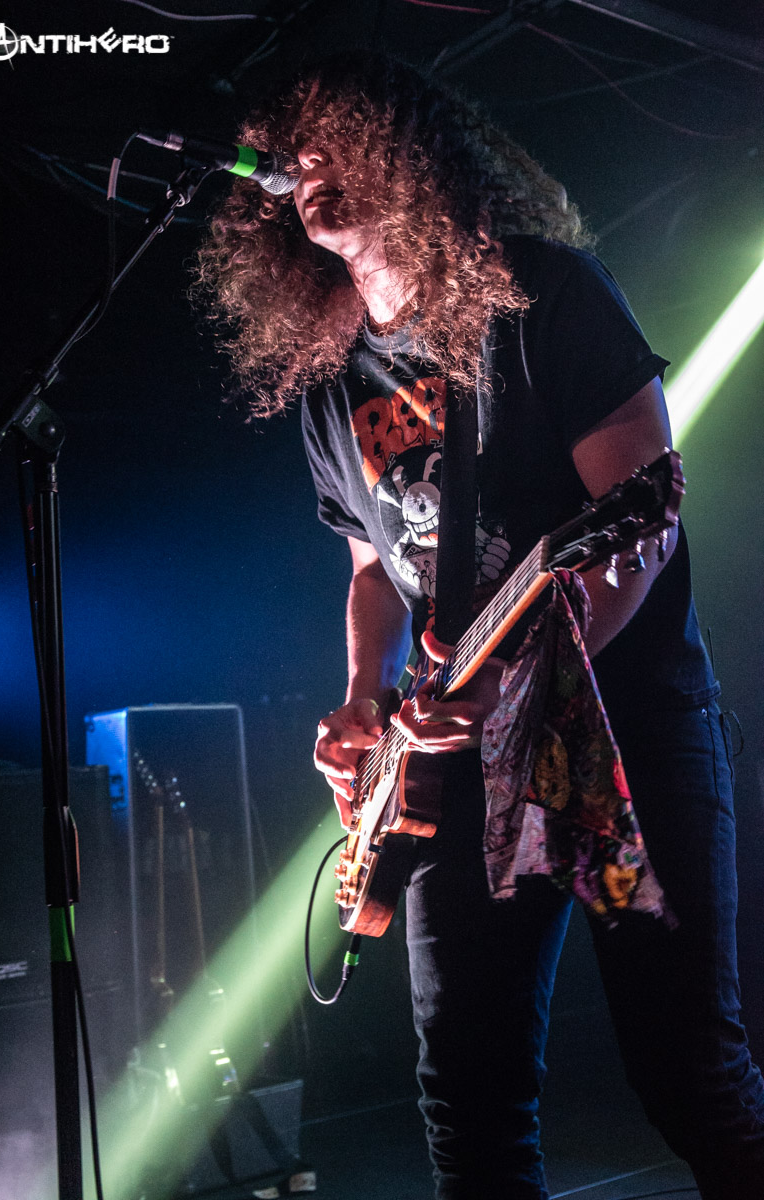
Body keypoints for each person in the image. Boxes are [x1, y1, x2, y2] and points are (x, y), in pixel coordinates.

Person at [197, 53, 764, 1200]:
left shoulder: (542, 293)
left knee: (689, 1074)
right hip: (455, 768)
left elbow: (639, 526)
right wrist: (363, 702)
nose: (305, 164)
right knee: (468, 1099)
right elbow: (372, 571)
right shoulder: (332, 378)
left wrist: (522, 680)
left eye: (332, 136)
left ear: (404, 151)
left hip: (623, 742)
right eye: (292, 149)